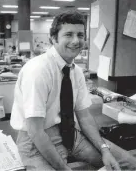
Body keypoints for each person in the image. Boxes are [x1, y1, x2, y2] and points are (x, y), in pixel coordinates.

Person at [10, 10, 136, 171]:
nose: (76, 41)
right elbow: (35, 131)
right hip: (35, 142)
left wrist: (104, 149)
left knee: (129, 163)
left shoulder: (75, 72)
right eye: (68, 35)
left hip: (70, 134)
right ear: (53, 38)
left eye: (80, 35)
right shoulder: (38, 71)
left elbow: (84, 117)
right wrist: (63, 168)